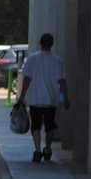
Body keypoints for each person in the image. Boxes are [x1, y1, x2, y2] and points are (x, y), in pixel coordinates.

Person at [16, 33, 70, 163]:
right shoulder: (57, 60)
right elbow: (61, 81)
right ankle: (48, 148)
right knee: (50, 126)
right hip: (51, 100)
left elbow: (27, 79)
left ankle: (37, 150)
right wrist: (65, 98)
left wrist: (22, 96)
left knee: (36, 126)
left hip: (36, 99)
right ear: (52, 44)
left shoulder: (33, 59)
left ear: (40, 43)